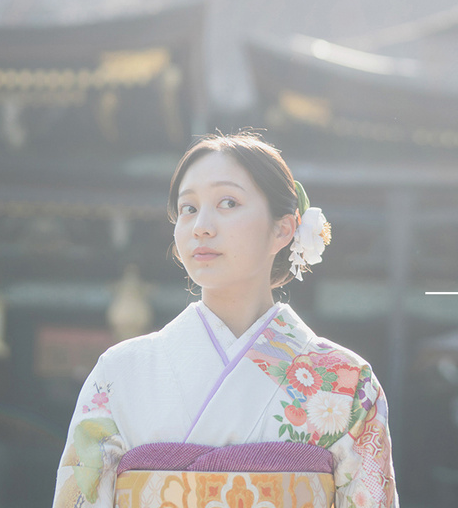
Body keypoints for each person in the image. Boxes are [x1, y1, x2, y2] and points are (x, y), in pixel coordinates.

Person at [52, 132, 398, 508]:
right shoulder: (118, 374)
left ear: (283, 227)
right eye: (188, 208)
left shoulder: (347, 383)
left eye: (228, 202)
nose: (201, 225)